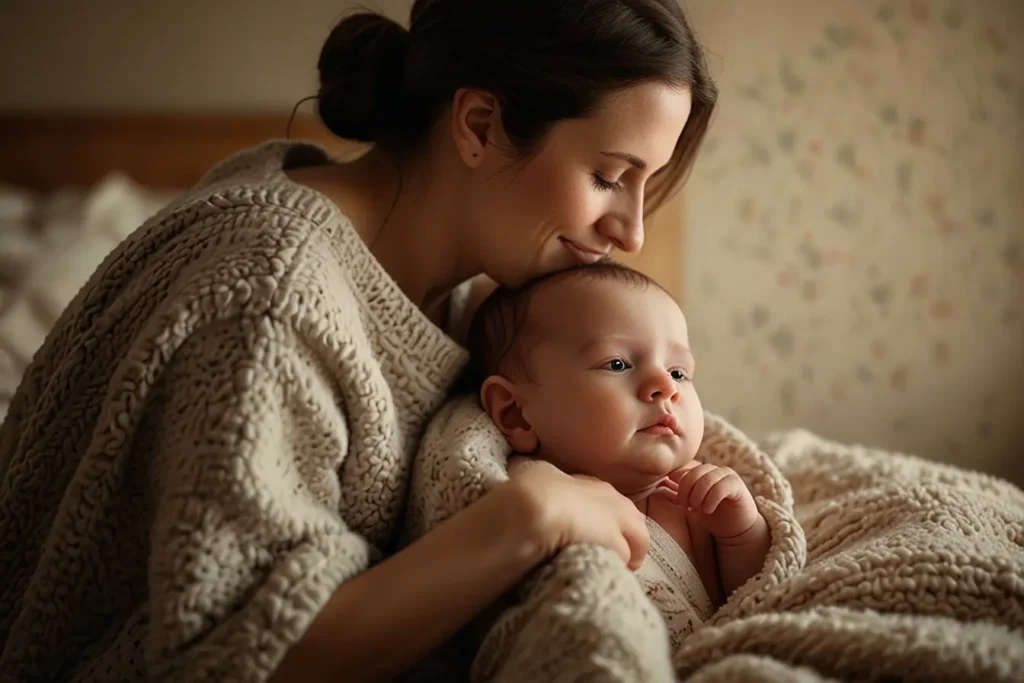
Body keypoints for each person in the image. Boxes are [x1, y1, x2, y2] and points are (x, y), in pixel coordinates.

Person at [0, 0, 716, 680]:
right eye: (608, 176)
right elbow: (228, 657)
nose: (633, 232)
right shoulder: (271, 298)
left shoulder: (474, 286)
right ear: (478, 124)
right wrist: (528, 518)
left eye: (645, 189)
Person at [463, 262, 771, 645]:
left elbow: (755, 598)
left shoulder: (690, 497)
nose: (665, 386)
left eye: (679, 372)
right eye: (618, 364)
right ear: (516, 413)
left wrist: (741, 532)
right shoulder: (530, 493)